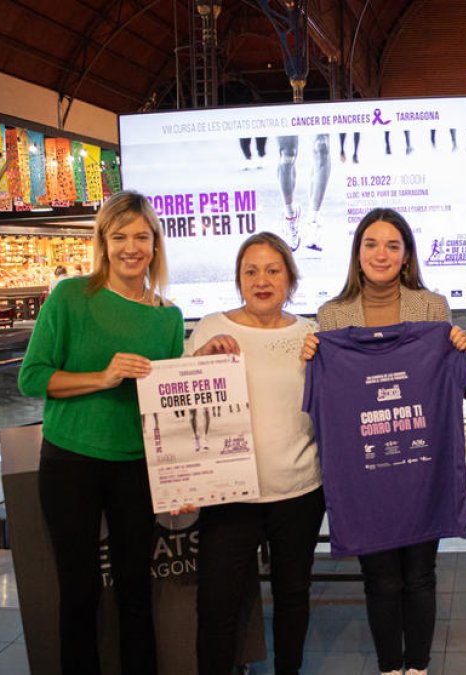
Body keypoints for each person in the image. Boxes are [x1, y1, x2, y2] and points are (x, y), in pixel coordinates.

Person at [18, 190, 184, 675]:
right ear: (103, 242)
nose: (131, 247)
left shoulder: (166, 317)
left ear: (155, 243)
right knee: (80, 586)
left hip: (136, 465)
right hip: (71, 462)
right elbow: (32, 377)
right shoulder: (71, 296)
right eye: (119, 236)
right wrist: (102, 378)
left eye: (141, 236)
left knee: (136, 585)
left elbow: (170, 401)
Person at [301, 208, 466, 675]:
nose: (382, 254)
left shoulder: (432, 308)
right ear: (357, 255)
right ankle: (389, 667)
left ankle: (417, 667)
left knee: (419, 576)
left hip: (421, 466)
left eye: (392, 245)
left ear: (407, 256)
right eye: (371, 244)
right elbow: (328, 394)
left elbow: (455, 387)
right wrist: (313, 356)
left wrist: (456, 347)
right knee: (379, 579)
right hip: (366, 471)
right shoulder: (331, 316)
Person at [187, 232, 325, 675]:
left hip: (299, 489)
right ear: (238, 279)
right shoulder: (211, 328)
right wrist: (203, 359)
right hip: (230, 496)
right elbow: (181, 408)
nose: (261, 280)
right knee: (217, 603)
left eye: (272, 270)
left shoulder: (311, 335)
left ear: (290, 277)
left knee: (292, 596)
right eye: (251, 271)